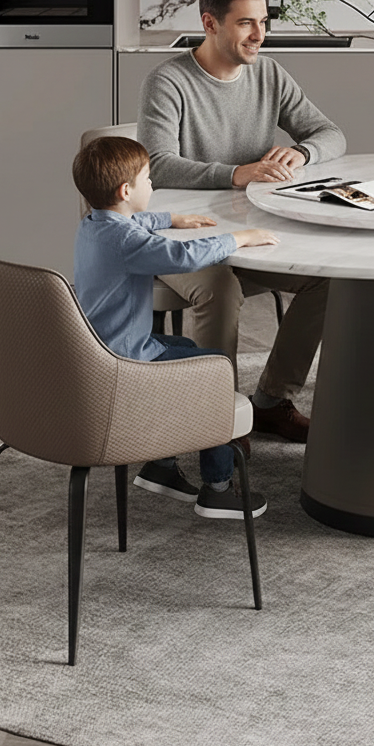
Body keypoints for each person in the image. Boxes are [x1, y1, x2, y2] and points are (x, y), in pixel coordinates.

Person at [139, 0, 347, 443]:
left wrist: (302, 151)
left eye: (263, 21)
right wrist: (235, 174)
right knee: (220, 288)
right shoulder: (168, 81)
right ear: (210, 23)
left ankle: (272, 401)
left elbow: (330, 134)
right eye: (245, 24)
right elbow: (155, 164)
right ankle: (216, 424)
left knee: (328, 278)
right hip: (180, 234)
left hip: (248, 231)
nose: (260, 35)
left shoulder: (269, 73)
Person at [72, 135, 279, 519]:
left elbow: (135, 220)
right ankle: (217, 488)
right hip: (127, 357)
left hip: (101, 347)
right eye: (149, 180)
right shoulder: (126, 240)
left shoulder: (95, 224)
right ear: (126, 189)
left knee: (182, 344)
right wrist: (240, 238)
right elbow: (183, 257)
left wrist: (170, 218)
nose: (153, 187)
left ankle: (161, 468)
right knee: (214, 368)